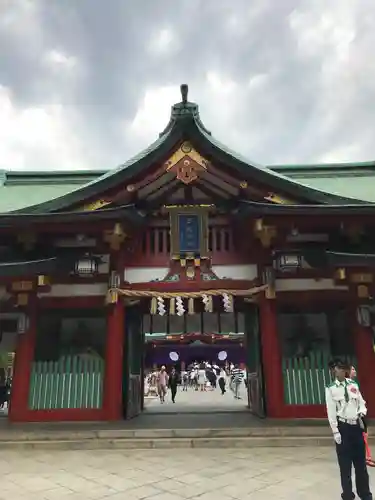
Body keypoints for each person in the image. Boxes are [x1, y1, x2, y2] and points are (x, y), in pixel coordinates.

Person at [325, 359, 373, 500]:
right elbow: (331, 412)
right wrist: (335, 431)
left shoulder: (353, 385)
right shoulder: (331, 388)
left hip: (355, 426)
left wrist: (362, 411)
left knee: (361, 465)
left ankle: (365, 494)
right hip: (343, 427)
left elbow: (361, 402)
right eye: (337, 368)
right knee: (345, 466)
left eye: (342, 368)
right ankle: (347, 495)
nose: (340, 371)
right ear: (333, 371)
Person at [348, 365, 375, 468]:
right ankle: (360, 457)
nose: (355, 371)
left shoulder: (354, 384)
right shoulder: (348, 385)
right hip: (354, 415)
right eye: (353, 369)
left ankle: (365, 456)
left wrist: (363, 410)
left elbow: (360, 400)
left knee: (364, 435)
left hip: (360, 414)